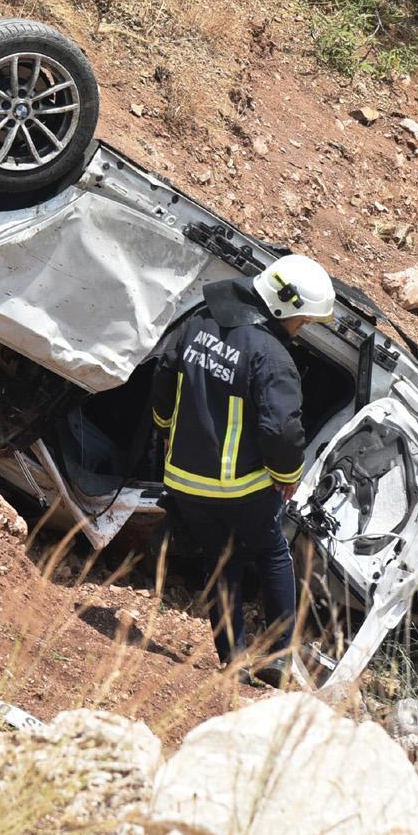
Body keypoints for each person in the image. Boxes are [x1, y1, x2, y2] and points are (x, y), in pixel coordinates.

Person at [151, 254, 336, 686]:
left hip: (184, 479)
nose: (301, 329)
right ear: (283, 309)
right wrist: (287, 474)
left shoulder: (197, 322)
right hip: (240, 488)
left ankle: (232, 660)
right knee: (272, 554)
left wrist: (163, 429)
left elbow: (163, 373)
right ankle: (277, 656)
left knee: (221, 560)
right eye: (302, 321)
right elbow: (281, 430)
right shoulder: (271, 356)